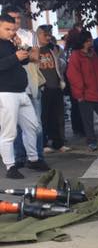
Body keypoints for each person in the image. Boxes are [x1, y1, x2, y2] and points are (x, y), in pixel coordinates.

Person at [0, 13, 49, 179]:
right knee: (9, 132)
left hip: (21, 91)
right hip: (5, 92)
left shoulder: (10, 42)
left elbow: (26, 61)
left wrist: (21, 48)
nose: (11, 32)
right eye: (7, 29)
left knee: (32, 126)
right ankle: (10, 166)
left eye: (13, 29)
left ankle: (33, 159)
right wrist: (15, 57)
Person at [5, 5, 43, 164]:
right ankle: (18, 158)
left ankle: (37, 157)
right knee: (12, 127)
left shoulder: (28, 34)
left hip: (30, 85)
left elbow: (34, 57)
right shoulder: (3, 37)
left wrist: (21, 46)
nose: (16, 21)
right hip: (8, 88)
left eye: (18, 18)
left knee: (35, 124)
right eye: (12, 18)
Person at [36, 24, 70, 153]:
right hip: (42, 88)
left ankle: (58, 142)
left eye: (49, 34)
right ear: (38, 35)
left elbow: (63, 63)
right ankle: (43, 143)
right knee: (43, 117)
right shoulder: (34, 49)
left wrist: (60, 63)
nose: (48, 37)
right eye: (45, 35)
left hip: (56, 85)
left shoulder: (55, 48)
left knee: (57, 116)